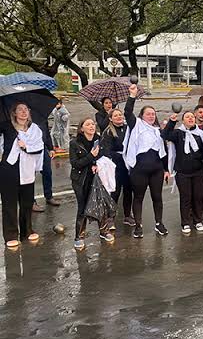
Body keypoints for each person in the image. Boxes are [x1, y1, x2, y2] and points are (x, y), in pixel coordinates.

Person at [123, 84, 170, 238]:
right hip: (140, 169)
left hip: (156, 169)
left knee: (157, 197)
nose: (151, 116)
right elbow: (127, 112)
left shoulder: (157, 131)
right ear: (142, 115)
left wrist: (166, 169)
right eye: (148, 114)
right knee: (138, 197)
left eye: (153, 114)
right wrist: (132, 96)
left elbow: (163, 152)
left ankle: (159, 223)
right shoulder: (136, 125)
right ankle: (138, 225)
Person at [0, 103, 44, 248]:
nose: (24, 112)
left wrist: (26, 146)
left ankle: (27, 231)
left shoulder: (34, 129)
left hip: (27, 169)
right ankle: (11, 235)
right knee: (9, 203)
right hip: (9, 169)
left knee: (26, 202)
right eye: (20, 109)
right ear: (14, 113)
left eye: (26, 109)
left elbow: (39, 146)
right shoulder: (6, 126)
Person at [163, 110, 203, 234]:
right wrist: (171, 122)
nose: (190, 118)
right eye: (187, 117)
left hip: (198, 171)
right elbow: (165, 135)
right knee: (185, 198)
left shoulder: (200, 134)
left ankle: (198, 220)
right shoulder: (178, 133)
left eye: (191, 117)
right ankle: (185, 222)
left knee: (198, 197)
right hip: (182, 172)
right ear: (183, 120)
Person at [70, 118, 113, 250]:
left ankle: (104, 231)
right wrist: (91, 156)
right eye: (88, 124)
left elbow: (104, 156)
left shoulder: (100, 140)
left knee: (101, 204)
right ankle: (79, 236)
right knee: (83, 207)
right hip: (81, 180)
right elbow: (75, 163)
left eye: (93, 124)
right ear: (81, 128)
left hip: (97, 177)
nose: (91, 126)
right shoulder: (75, 143)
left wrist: (96, 164)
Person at [100, 108, 134, 227]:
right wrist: (119, 156)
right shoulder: (108, 132)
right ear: (110, 118)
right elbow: (105, 150)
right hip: (116, 165)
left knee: (128, 191)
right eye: (115, 116)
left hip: (128, 164)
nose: (119, 117)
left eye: (120, 115)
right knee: (115, 192)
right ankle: (110, 217)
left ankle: (127, 215)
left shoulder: (128, 129)